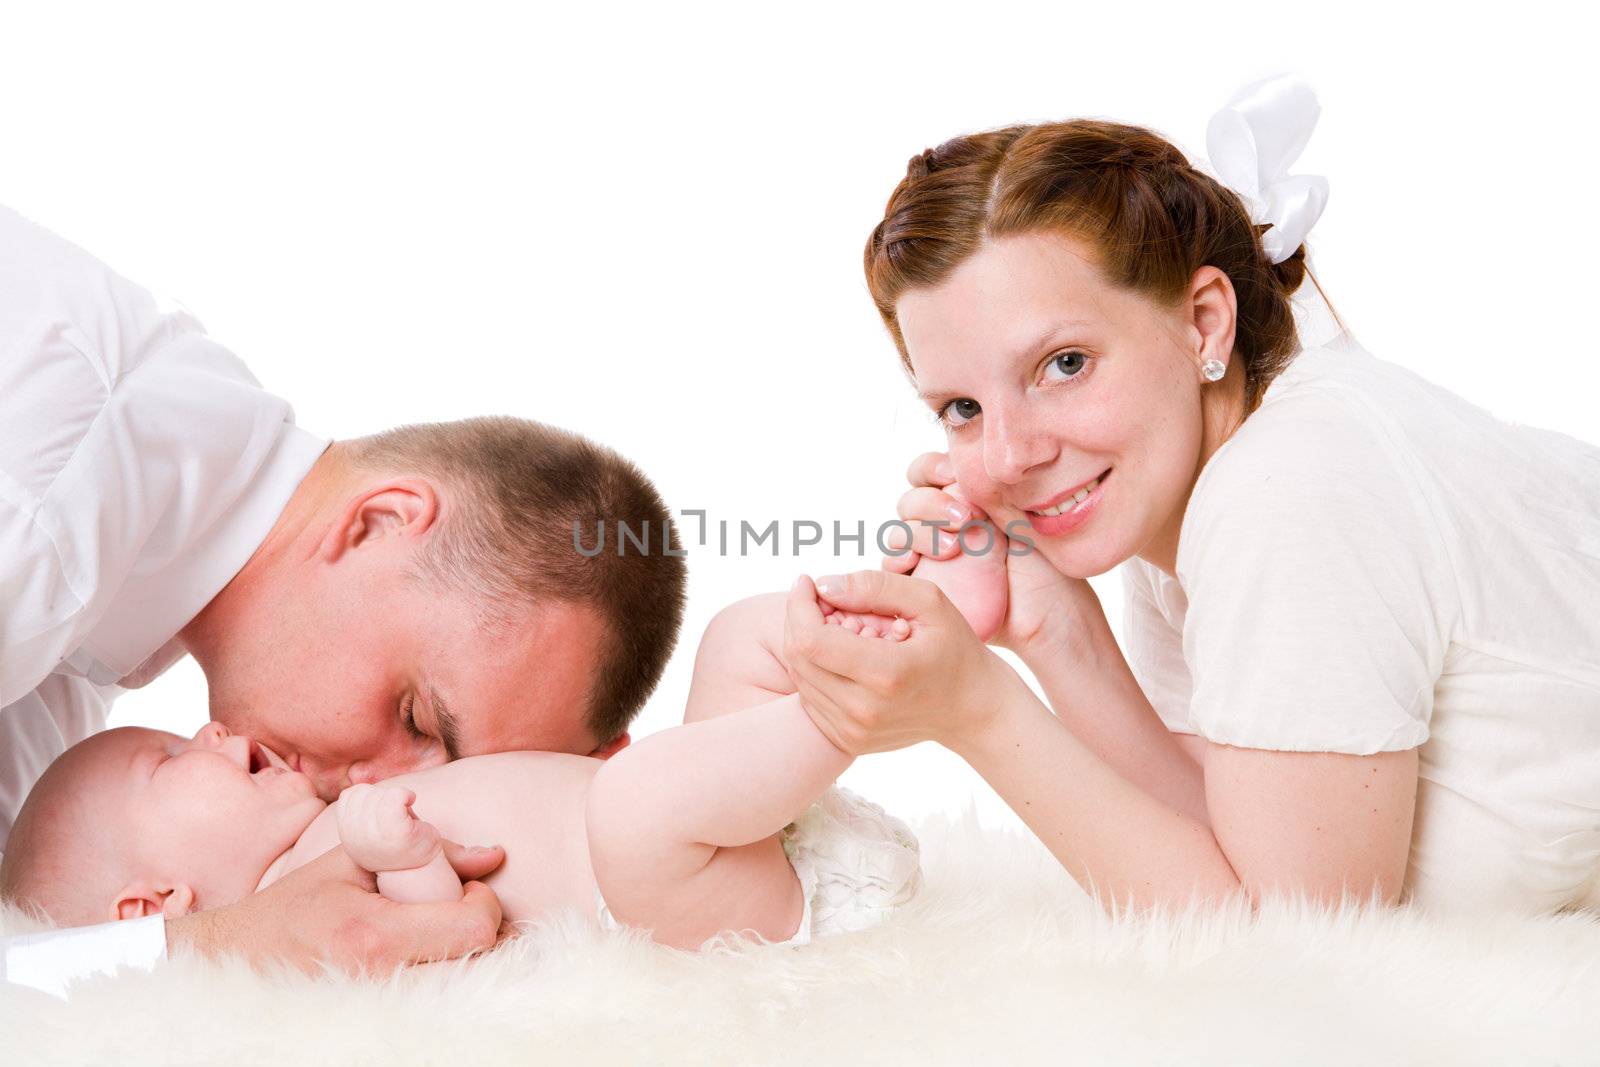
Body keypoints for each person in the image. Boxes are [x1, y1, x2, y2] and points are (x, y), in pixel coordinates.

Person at [779, 74, 1600, 919]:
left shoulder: (1291, 489)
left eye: (1064, 364)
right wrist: (1057, 627)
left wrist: (978, 709)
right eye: (962, 408)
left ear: (1205, 321)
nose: (1011, 455)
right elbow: (1234, 838)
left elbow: (1303, 950)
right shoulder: (1186, 492)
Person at [0, 203, 687, 992]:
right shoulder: (41, 504)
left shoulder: (95, 600)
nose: (381, 790)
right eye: (415, 716)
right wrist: (214, 946)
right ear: (381, 522)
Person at [0, 589, 923, 957]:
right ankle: (861, 698)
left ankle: (891, 607)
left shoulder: (322, 838)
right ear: (153, 903)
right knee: (637, 805)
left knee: (739, 635)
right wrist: (398, 853)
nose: (208, 730)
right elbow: (447, 937)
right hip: (680, 895)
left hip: (731, 836)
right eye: (166, 761)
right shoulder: (308, 908)